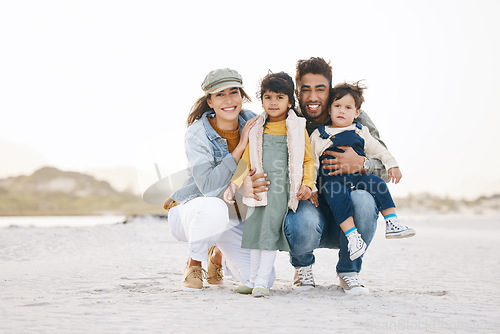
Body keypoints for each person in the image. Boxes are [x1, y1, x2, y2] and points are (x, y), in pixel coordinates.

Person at [244, 57, 389, 295]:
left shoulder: (354, 118)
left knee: (364, 200)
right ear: (297, 93)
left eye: (320, 90)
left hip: (346, 209)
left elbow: (386, 166)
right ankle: (302, 268)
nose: (313, 97)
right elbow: (257, 146)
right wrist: (245, 181)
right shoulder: (289, 119)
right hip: (310, 208)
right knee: (301, 216)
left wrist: (361, 162)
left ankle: (349, 271)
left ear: (330, 91)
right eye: (306, 90)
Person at [165, 68, 268, 291]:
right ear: (210, 101)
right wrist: (240, 147)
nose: (229, 100)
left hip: (234, 214)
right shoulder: (197, 133)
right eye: (220, 94)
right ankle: (194, 263)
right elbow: (209, 187)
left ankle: (217, 256)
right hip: (196, 211)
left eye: (234, 92)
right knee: (214, 208)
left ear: (242, 96)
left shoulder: (254, 121)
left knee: (262, 280)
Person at [224, 72, 314, 297]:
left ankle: (263, 282)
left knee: (269, 236)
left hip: (281, 191)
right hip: (258, 189)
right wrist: (235, 184)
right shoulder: (256, 127)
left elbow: (307, 159)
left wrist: (308, 184)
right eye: (268, 97)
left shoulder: (296, 127)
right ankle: (253, 281)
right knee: (255, 235)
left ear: (290, 101)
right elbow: (246, 158)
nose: (273, 102)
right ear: (261, 100)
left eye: (280, 97)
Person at [310, 81, 415, 261]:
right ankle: (353, 237)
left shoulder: (361, 131)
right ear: (329, 109)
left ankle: (392, 221)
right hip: (332, 181)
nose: (342, 111)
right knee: (339, 199)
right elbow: (312, 164)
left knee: (378, 184)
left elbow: (379, 150)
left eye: (348, 107)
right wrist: (311, 186)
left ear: (357, 112)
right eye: (337, 106)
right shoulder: (320, 135)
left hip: (358, 177)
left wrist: (392, 165)